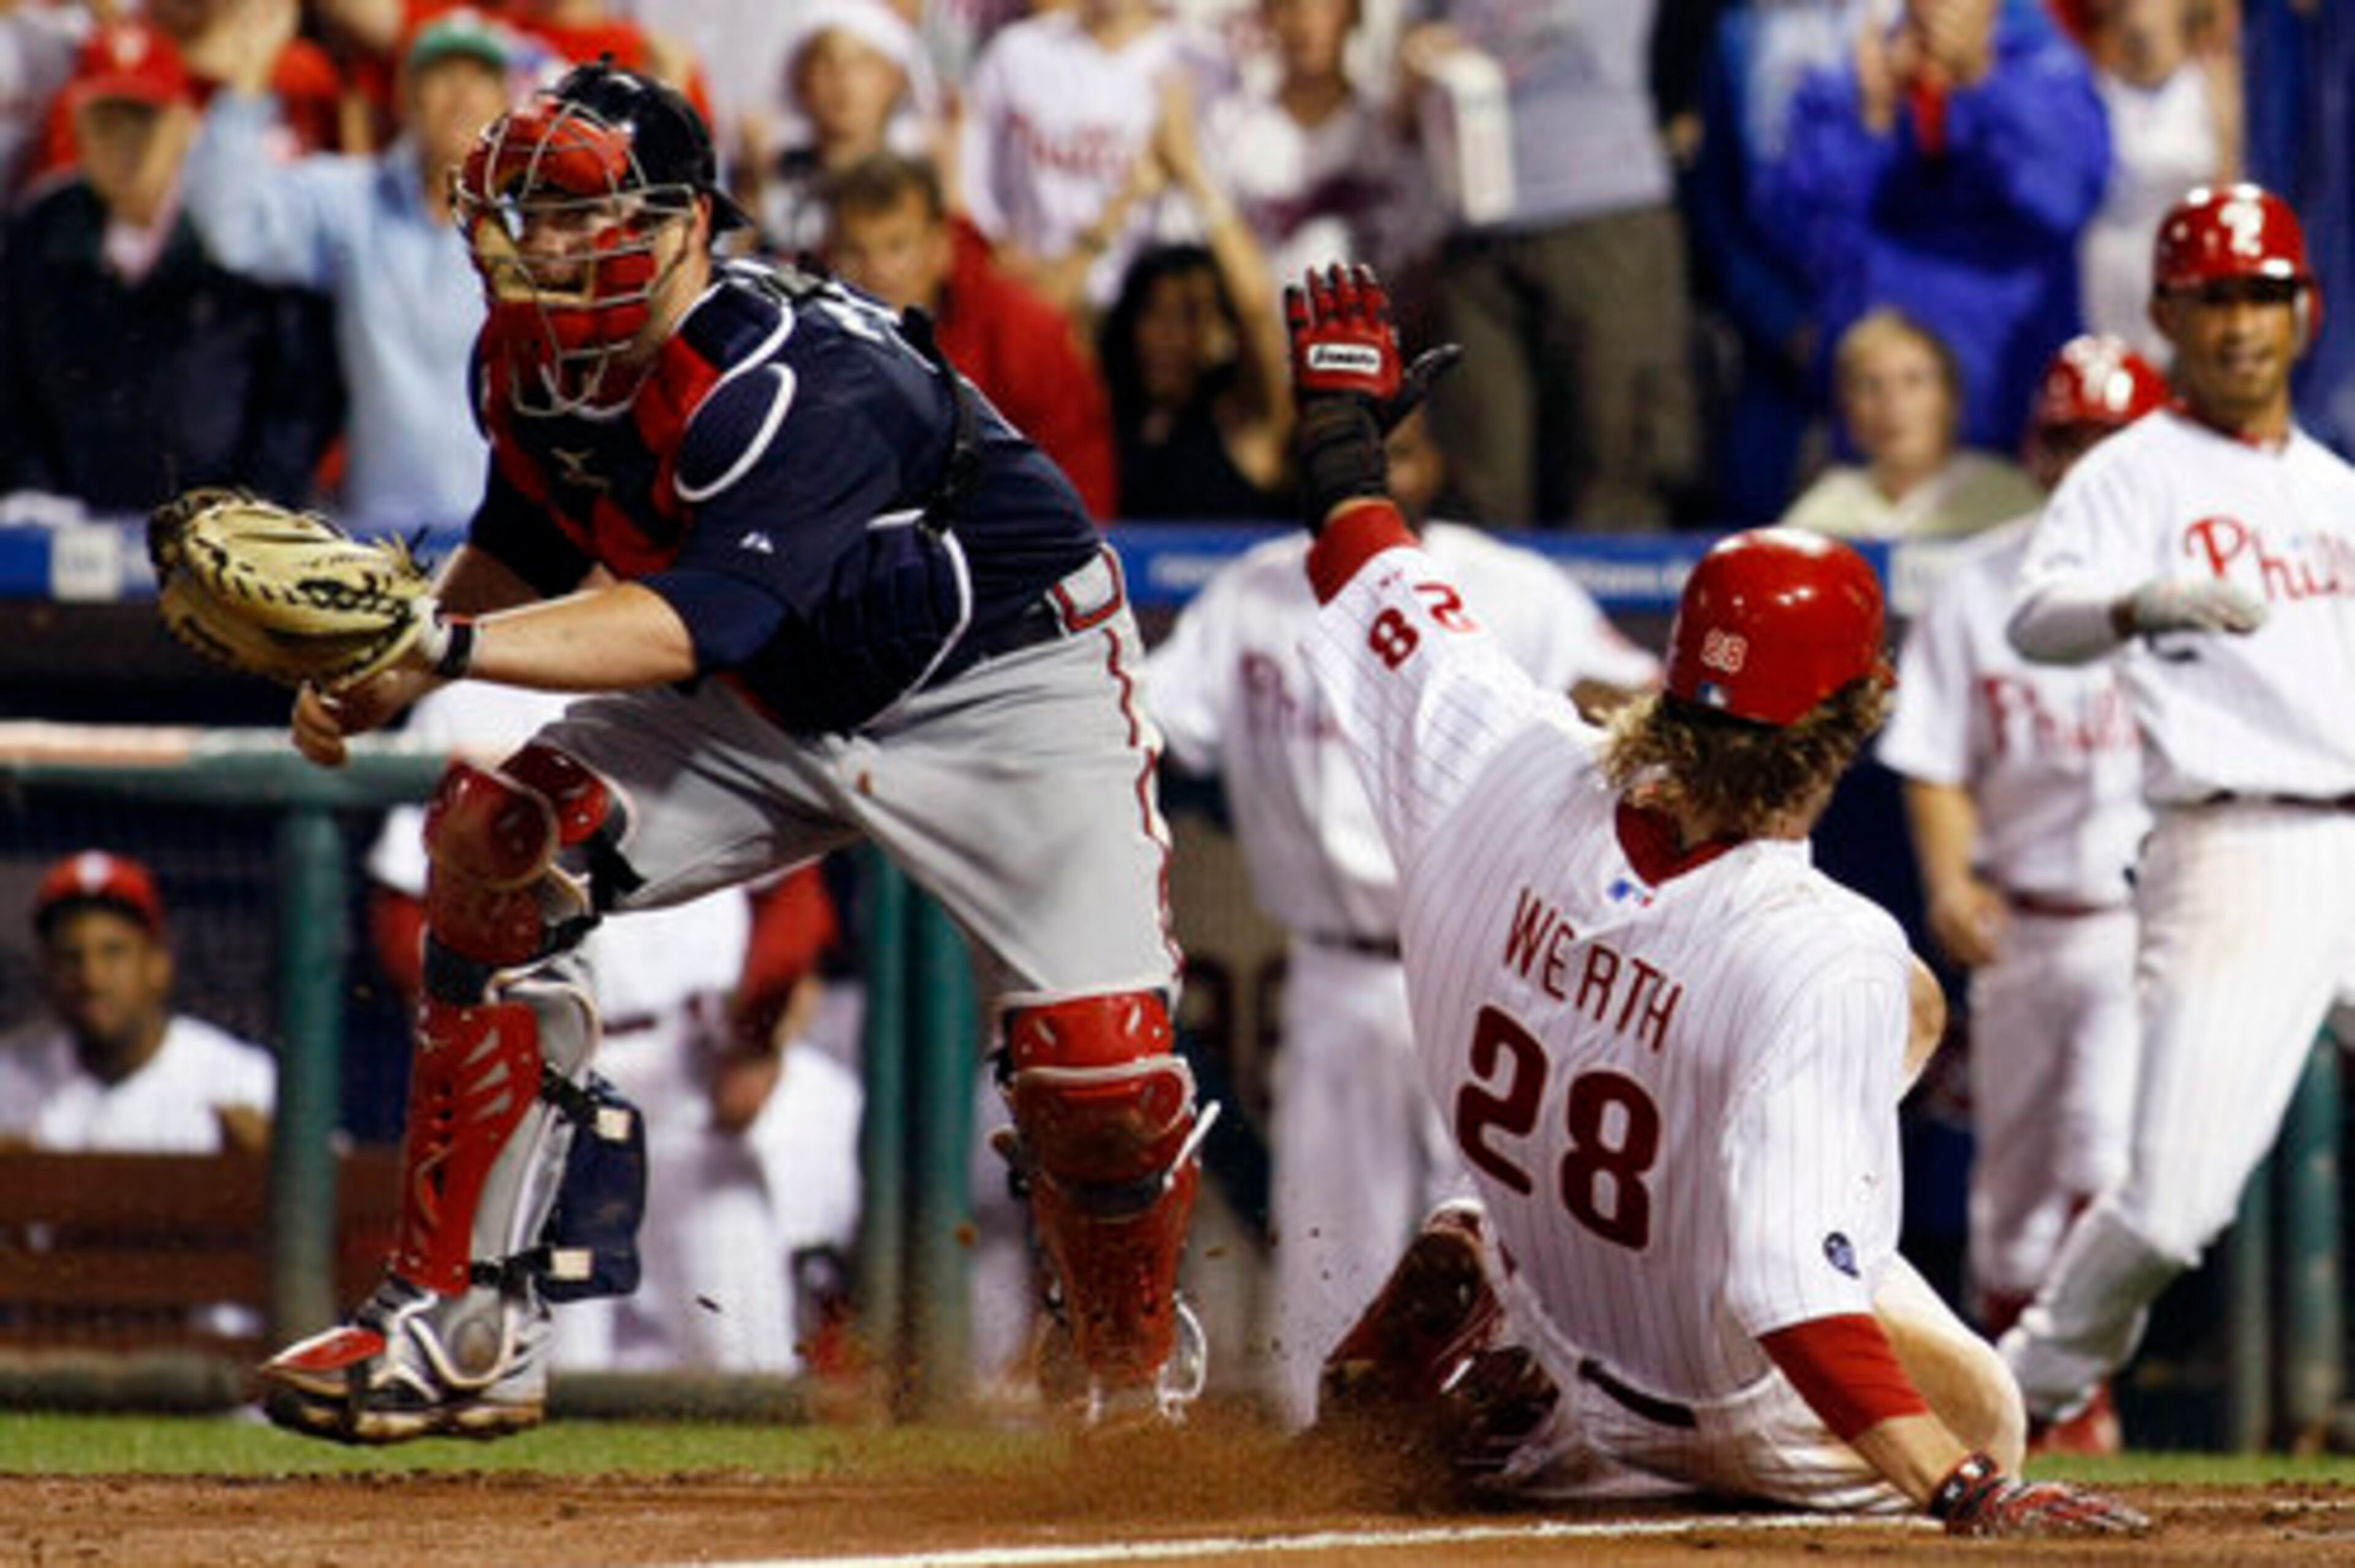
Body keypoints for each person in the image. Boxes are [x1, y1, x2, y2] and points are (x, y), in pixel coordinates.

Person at [251, 61, 1203, 1443]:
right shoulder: (526, 353)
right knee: (494, 843)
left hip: (1001, 686)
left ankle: (1127, 1375)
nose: (546, 248)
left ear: (689, 222)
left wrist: (435, 651)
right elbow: (530, 542)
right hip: (774, 686)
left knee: (1100, 1074)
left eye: (581, 214)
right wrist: (392, 665)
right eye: (524, 214)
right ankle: (458, 1320)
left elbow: (696, 621)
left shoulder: (794, 380)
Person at [1278, 264, 2145, 1535]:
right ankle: (1535, 1409)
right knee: (1982, 1398)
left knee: (1883, 1019)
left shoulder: (1511, 752)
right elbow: (1796, 1298)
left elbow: (1362, 560)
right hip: (1716, 1409)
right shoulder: (1823, 948)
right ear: (1858, 712)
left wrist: (1343, 442)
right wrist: (1970, 1490)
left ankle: (1503, 1339)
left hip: (1551, 1244)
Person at [1146, 405, 1660, 1429]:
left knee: (1497, 1237)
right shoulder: (1250, 595)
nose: (1380, 478)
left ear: (1439, 463)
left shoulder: (1507, 586)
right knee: (1329, 1247)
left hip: (1481, 963)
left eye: (1406, 452)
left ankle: (1518, 1451)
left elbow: (1640, 710)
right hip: (1336, 969)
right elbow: (1145, 725)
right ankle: (1320, 1467)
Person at [2000, 181, 2354, 1436]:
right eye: (2217, 298)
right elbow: (2032, 616)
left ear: (2304, 313)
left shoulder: (2333, 487)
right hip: (2239, 841)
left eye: (2263, 295)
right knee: (2169, 1208)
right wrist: (2137, 603)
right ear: (2167, 314)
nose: (2243, 322)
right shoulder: (2135, 469)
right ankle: (2019, 1389)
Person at [364, 683, 864, 1377]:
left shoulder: (719, 680)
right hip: (534, 1070)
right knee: (552, 1362)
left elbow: (794, 902)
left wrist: (755, 1039)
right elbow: (404, 912)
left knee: (751, 1357)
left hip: (686, 1061)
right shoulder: (472, 702)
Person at [1875, 333, 2167, 1454]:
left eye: (2113, 438)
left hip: (2144, 916)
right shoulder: (1984, 582)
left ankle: (2071, 1388)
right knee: (2011, 1194)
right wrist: (1950, 876)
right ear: (2040, 448)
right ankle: (2023, 1399)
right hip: (2025, 921)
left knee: (2106, 1159)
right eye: (2072, 437)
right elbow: (1939, 755)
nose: (2090, 460)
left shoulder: (2191, 585)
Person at [180, 1, 522, 537]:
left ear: (506, 102)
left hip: (516, 538)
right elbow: (231, 228)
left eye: (479, 78)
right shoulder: (355, 202)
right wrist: (247, 88)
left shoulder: (542, 225)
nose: (460, 96)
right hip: (381, 531)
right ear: (405, 98)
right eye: (441, 77)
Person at [0, 16, 343, 517]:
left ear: (185, 123)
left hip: (227, 535)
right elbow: (11, 386)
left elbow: (301, 388)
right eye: (106, 120)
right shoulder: (41, 230)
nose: (125, 144)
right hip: (75, 538)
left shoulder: (235, 225)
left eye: (143, 119)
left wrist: (260, 508)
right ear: (76, 127)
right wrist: (31, 488)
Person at [1755, 0, 2110, 454]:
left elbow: (2067, 195)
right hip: (1882, 414)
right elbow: (1805, 241)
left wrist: (1985, 80)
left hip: (2011, 400)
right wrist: (1867, 121)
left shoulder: (2045, 65)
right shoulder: (1852, 78)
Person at [1396, 0, 1699, 529]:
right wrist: (1418, 62)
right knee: (1478, 478)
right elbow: (1407, 72)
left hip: (1606, 217)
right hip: (1473, 232)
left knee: (1619, 463)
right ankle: (1483, 613)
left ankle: (1615, 612)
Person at [822, 150, 1118, 520]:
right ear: (831, 255)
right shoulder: (795, 340)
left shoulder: (1024, 337)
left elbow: (1078, 478)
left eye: (897, 247)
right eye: (855, 251)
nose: (877, 272)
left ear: (939, 248)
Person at [0, 851, 275, 1155]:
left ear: (158, 964)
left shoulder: (242, 1081)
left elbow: (332, 1182)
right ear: (45, 971)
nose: (92, 978)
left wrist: (269, 1164)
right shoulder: (9, 1077)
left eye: (114, 953)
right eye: (70, 958)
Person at [1777, 308, 2042, 541]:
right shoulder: (1820, 516)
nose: (1892, 404)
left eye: (1913, 381)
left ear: (1952, 399)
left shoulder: (2012, 502)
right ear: (1848, 409)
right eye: (1870, 386)